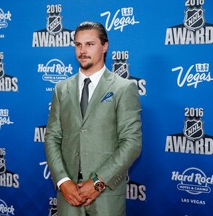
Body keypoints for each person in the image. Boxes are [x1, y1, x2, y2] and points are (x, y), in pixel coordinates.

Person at [44, 21, 142, 216]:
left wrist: (98, 182)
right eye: (78, 44)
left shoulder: (123, 88)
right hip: (68, 195)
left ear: (104, 46)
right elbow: (52, 137)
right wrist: (63, 181)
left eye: (90, 44)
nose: (82, 50)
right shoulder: (61, 89)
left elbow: (132, 143)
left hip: (106, 198)